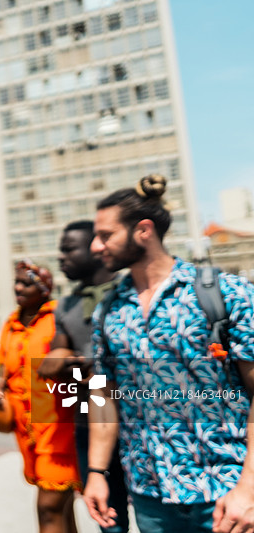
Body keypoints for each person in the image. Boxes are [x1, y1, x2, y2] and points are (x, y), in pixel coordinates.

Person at [82, 175, 254, 533]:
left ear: (143, 230)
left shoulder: (225, 293)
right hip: (150, 496)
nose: (96, 247)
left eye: (105, 235)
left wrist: (248, 489)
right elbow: (104, 395)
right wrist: (97, 472)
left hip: (227, 492)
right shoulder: (108, 309)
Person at [37, 220, 130, 533]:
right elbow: (49, 364)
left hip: (138, 419)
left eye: (68, 250)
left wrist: (83, 364)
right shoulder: (66, 306)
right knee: (109, 518)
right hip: (88, 421)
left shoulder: (129, 292)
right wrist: (83, 364)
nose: (61, 257)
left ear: (94, 248)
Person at [0, 260, 79, 533]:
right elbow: (5, 368)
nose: (18, 288)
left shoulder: (59, 317)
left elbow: (76, 364)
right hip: (25, 428)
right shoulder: (11, 323)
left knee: (48, 506)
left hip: (59, 425)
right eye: (17, 282)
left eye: (26, 283)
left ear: (43, 288)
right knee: (62, 509)